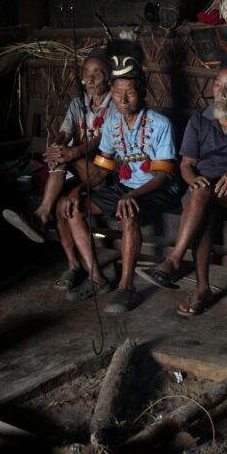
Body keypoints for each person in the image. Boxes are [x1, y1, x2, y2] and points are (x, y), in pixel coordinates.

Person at [135, 55, 227, 316]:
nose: (221, 92)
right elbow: (186, 164)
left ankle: (175, 261)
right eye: (217, 84)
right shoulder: (200, 120)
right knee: (201, 201)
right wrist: (191, 179)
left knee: (200, 199)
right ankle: (202, 288)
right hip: (202, 192)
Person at [58, 39, 181, 313]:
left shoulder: (160, 124)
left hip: (159, 190)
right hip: (126, 188)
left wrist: (131, 195)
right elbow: (103, 168)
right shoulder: (113, 123)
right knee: (73, 208)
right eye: (117, 93)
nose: (123, 101)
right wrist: (77, 190)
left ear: (143, 92)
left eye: (130, 93)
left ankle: (126, 287)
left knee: (128, 211)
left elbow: (162, 177)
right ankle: (96, 277)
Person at [3, 48, 116, 291]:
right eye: (87, 73)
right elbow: (65, 131)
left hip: (105, 173)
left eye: (97, 74)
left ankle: (40, 217)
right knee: (61, 204)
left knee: (64, 159)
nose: (91, 79)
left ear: (108, 78)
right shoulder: (78, 103)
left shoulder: (115, 104)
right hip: (81, 171)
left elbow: (104, 138)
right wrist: (56, 146)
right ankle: (74, 266)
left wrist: (74, 151)